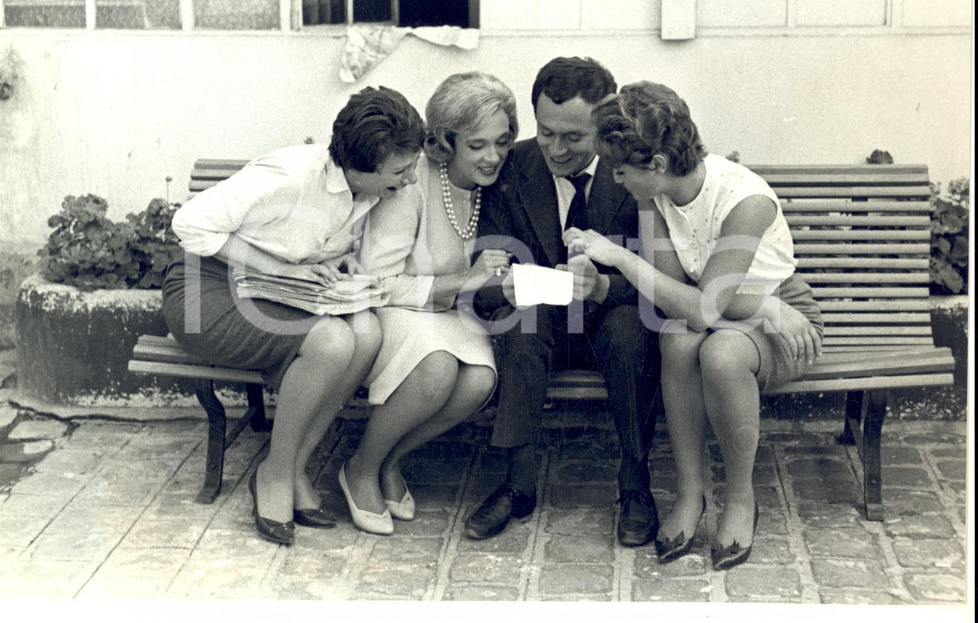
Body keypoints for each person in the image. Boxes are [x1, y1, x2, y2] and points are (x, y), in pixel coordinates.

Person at [564, 80, 823, 569]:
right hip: (738, 308)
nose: (616, 180)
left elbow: (703, 306)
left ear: (656, 164)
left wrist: (618, 256)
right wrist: (739, 304)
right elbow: (679, 296)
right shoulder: (654, 196)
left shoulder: (745, 200)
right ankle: (690, 494)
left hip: (784, 321)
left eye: (621, 170)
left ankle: (741, 498)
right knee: (678, 340)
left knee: (719, 353)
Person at [162, 86, 426, 546]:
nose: (409, 180)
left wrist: (338, 259)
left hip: (272, 291)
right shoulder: (289, 176)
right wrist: (281, 269)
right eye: (400, 172)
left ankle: (296, 465)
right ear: (360, 166)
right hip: (205, 290)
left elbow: (306, 238)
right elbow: (189, 224)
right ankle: (274, 475)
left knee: (365, 332)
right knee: (332, 342)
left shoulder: (364, 188)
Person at [466, 57, 663, 546]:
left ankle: (635, 485)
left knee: (629, 331)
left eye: (573, 138)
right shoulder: (513, 168)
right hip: (540, 320)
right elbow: (485, 269)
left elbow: (662, 278)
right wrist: (505, 286)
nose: (554, 148)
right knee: (520, 323)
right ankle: (518, 483)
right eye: (545, 131)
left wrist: (602, 286)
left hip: (611, 319)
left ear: (605, 124)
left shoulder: (633, 173)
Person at [343, 72, 516, 535]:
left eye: (502, 141)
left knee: (479, 380)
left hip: (447, 314)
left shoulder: (491, 185)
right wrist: (465, 280)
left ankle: (390, 460)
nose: (493, 155)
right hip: (393, 308)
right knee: (438, 367)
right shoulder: (411, 183)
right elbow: (378, 280)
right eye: (477, 145)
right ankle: (360, 467)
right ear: (445, 141)